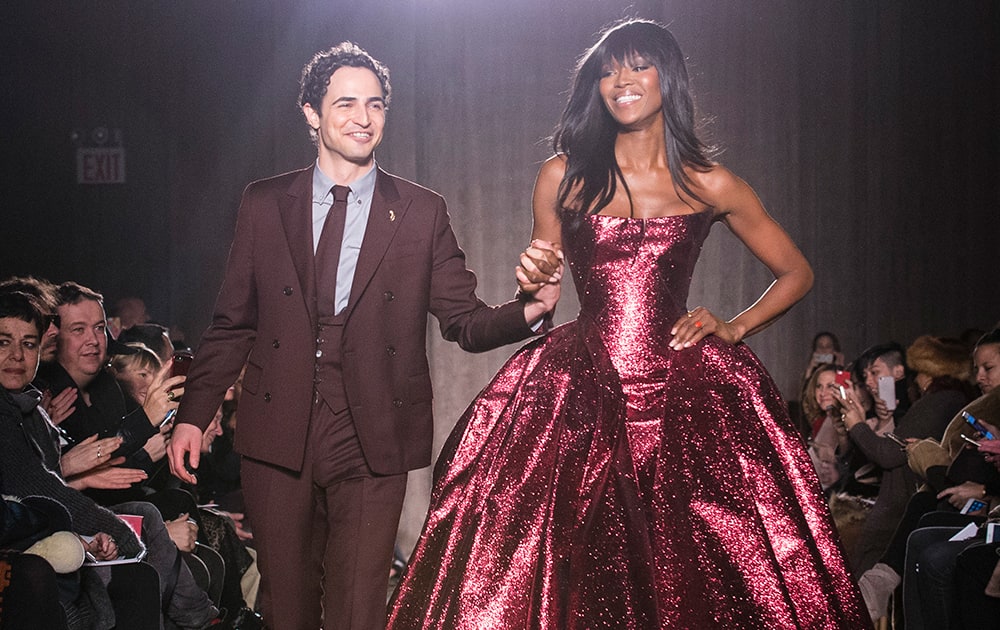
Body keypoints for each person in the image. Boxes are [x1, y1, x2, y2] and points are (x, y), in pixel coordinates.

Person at [388, 19, 868, 629]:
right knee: (553, 556)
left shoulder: (711, 182)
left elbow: (796, 271)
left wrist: (736, 327)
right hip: (579, 387)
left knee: (705, 560)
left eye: (638, 66)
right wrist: (532, 279)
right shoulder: (562, 175)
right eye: (609, 70)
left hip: (686, 391)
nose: (622, 81)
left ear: (668, 78)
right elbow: (544, 289)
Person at [166, 42, 561, 630]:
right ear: (310, 112)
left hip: (373, 430)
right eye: (345, 102)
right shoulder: (266, 203)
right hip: (277, 429)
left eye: (375, 104)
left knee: (358, 610)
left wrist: (528, 309)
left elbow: (464, 321)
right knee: (287, 609)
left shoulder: (422, 212)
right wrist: (194, 415)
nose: (362, 117)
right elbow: (234, 322)